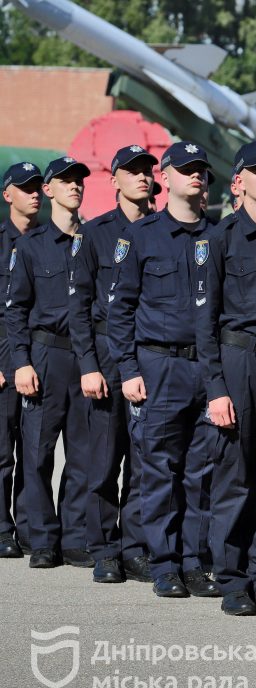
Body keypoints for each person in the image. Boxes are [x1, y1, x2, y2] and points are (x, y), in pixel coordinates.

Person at [108, 141, 222, 598]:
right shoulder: (141, 235)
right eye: (186, 169)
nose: (196, 176)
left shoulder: (219, 235)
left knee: (201, 470)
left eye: (202, 170)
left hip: (207, 367)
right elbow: (119, 310)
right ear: (166, 177)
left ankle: (194, 561)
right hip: (159, 366)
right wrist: (128, 369)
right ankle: (164, 563)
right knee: (158, 470)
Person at [197, 141, 256, 616]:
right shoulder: (218, 239)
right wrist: (216, 389)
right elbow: (205, 321)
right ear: (237, 183)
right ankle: (232, 578)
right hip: (237, 361)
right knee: (234, 477)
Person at [69, 145, 157, 584]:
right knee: (104, 458)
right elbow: (79, 306)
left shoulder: (163, 230)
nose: (142, 177)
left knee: (144, 460)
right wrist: (88, 364)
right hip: (105, 356)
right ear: (115, 180)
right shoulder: (97, 234)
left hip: (151, 355)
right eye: (132, 171)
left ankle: (135, 547)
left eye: (147, 171)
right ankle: (104, 547)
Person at [7, 157, 93, 571]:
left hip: (87, 358)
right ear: (49, 190)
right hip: (47, 355)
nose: (74, 186)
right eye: (65, 181)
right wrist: (21, 362)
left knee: (82, 453)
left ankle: (74, 537)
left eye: (79, 181)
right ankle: (41, 538)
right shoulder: (30, 245)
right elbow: (16, 310)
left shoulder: (94, 240)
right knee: (38, 452)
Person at [0, 162, 42, 559]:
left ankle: (30, 529)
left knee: (34, 451)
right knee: (1, 450)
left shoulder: (51, 240)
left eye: (37, 187)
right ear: (7, 194)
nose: (35, 193)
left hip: (37, 358)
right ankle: (1, 527)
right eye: (25, 187)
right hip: (2, 358)